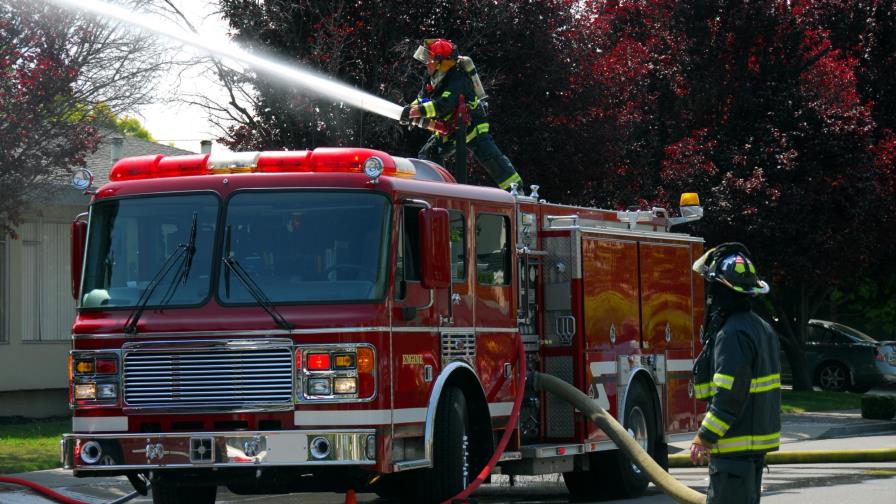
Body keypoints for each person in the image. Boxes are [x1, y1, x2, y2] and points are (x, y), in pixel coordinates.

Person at [689, 242, 781, 504]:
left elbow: (730, 395)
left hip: (734, 449)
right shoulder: (760, 327)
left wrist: (704, 438)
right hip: (750, 449)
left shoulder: (732, 334)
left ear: (720, 289)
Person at [401, 38, 524, 192]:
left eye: (430, 60)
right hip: (452, 128)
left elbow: (444, 105)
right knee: (429, 153)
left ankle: (516, 191)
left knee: (492, 160)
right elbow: (421, 98)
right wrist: (409, 109)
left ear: (442, 63)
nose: (427, 64)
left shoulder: (458, 78)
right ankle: (440, 190)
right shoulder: (432, 77)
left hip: (473, 127)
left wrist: (417, 111)